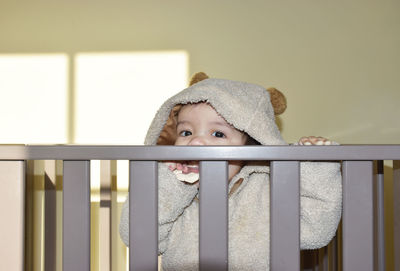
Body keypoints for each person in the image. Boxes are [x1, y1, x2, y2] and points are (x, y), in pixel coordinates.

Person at [119, 72, 342, 270]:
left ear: (250, 147)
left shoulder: (267, 190)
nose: (196, 142)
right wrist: (172, 184)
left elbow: (316, 230)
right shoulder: (173, 194)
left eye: (218, 134)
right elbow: (138, 239)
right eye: (186, 132)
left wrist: (314, 164)